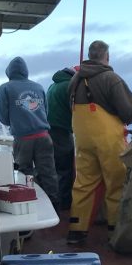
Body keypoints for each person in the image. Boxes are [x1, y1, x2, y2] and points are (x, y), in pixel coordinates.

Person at [67, 40, 132, 245]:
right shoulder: (111, 78)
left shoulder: (75, 79)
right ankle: (114, 230)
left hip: (82, 139)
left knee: (83, 183)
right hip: (107, 140)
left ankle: (76, 230)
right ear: (107, 57)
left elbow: (68, 104)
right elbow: (128, 112)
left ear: (90, 55)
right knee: (116, 182)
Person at [0, 56, 60, 209]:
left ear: (9, 72)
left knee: (25, 174)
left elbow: (2, 114)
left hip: (23, 139)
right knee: (49, 172)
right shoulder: (38, 87)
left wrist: (14, 122)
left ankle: (29, 204)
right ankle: (54, 205)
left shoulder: (6, 88)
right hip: (44, 136)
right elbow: (46, 111)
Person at [46, 65, 76, 210]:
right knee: (65, 168)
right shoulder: (68, 86)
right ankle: (64, 202)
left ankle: (52, 200)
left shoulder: (52, 86)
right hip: (62, 132)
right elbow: (74, 108)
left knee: (54, 166)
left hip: (48, 131)